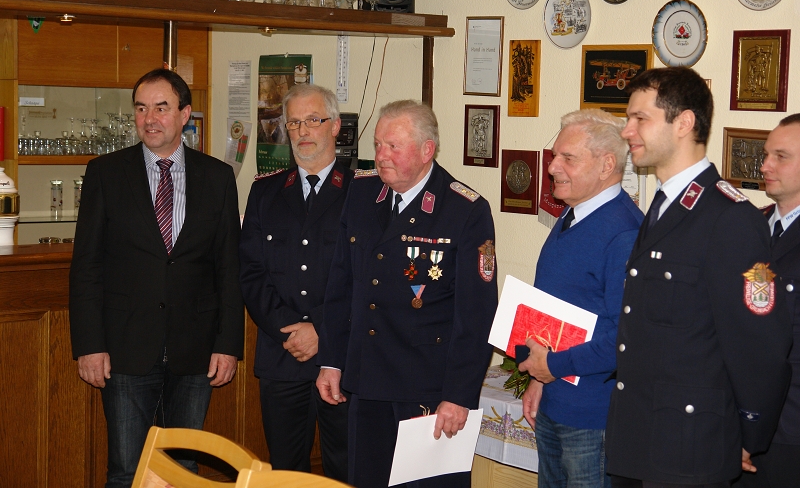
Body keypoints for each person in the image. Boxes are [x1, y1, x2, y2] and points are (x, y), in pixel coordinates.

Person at [605, 66, 792, 488]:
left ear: (684, 123)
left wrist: (748, 434)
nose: (627, 131)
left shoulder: (729, 218)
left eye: (640, 118)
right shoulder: (664, 205)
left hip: (691, 448)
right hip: (639, 440)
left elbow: (759, 347)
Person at [69, 69, 244, 488]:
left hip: (195, 351)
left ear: (184, 115)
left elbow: (229, 269)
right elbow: (86, 267)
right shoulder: (105, 173)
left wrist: (228, 345)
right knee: (127, 471)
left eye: (161, 108)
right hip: (125, 349)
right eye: (141, 108)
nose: (150, 119)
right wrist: (89, 345)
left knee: (184, 472)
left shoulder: (217, 177)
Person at [316, 100, 498, 488]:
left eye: (393, 146)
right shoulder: (362, 192)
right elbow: (340, 286)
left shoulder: (464, 210)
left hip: (427, 390)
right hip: (366, 381)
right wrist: (331, 360)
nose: (381, 156)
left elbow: (477, 315)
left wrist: (459, 396)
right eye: (378, 144)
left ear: (427, 150)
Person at [518, 109, 643, 488]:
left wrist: (552, 366)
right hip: (554, 401)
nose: (552, 167)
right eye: (555, 155)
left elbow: (625, 337)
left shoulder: (624, 232)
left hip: (593, 418)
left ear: (607, 165)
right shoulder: (573, 214)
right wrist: (539, 378)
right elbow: (555, 307)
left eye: (567, 158)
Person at [239, 84, 352, 482]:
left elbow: (366, 279)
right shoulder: (265, 192)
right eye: (294, 123)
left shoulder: (364, 191)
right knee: (286, 473)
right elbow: (251, 273)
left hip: (342, 356)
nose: (303, 131)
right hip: (282, 356)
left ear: (335, 126)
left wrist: (320, 328)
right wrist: (290, 331)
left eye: (313, 120)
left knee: (345, 471)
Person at [732, 114, 800, 488]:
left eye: (781, 156)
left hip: (790, 429)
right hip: (736, 420)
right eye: (766, 155)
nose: (765, 166)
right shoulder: (750, 228)